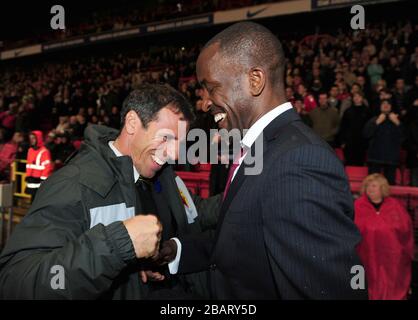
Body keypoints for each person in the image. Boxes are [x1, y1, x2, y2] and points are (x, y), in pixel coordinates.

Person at [150, 22, 367, 299]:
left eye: (211, 88)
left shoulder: (299, 161)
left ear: (255, 80)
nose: (204, 104)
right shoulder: (262, 148)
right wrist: (178, 251)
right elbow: (245, 239)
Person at [0, 84, 220, 299]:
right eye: (166, 138)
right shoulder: (74, 183)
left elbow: (195, 211)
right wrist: (117, 245)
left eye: (179, 143)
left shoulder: (165, 175)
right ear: (133, 123)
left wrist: (246, 190)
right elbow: (17, 282)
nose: (173, 154)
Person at [354, 174, 414, 300]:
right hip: (365, 254)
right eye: (368, 186)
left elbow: (405, 231)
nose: (370, 188)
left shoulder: (395, 206)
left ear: (382, 188)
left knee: (391, 283)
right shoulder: (358, 206)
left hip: (391, 255)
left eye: (374, 186)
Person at [364, 100, 403, 185]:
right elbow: (366, 134)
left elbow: (404, 137)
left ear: (391, 107)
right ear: (380, 106)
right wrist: (377, 122)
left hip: (391, 159)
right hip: (375, 158)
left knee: (390, 186)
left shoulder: (397, 120)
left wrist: (397, 123)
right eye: (383, 104)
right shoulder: (374, 119)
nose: (386, 105)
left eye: (388, 104)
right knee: (372, 184)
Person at [339, 93, 371, 166]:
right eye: (355, 96)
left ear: (362, 98)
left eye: (359, 96)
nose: (356, 98)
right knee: (349, 163)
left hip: (362, 142)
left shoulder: (367, 111)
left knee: (360, 163)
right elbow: (343, 127)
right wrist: (343, 141)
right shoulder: (348, 111)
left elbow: (369, 128)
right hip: (350, 142)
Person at [25, 130, 53, 201]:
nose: (31, 140)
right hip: (31, 178)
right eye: (30, 138)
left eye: (33, 138)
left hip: (39, 180)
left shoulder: (44, 151)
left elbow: (47, 167)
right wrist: (28, 176)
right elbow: (29, 165)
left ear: (38, 139)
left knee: (38, 199)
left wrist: (43, 179)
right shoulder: (30, 150)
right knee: (32, 198)